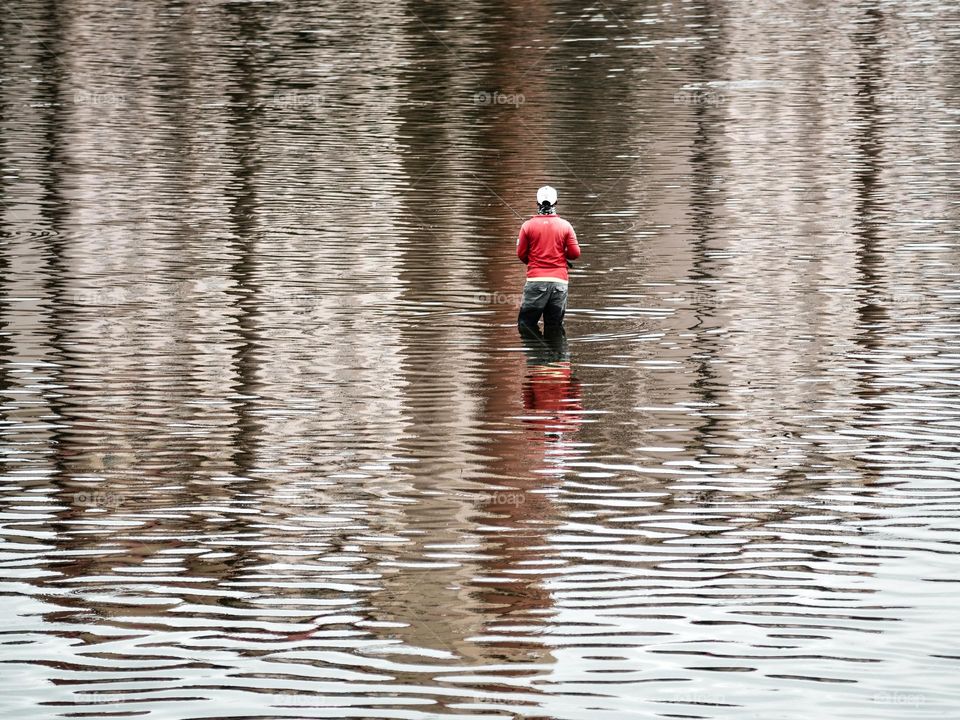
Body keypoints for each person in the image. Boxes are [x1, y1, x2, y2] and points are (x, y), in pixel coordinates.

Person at [516, 186, 580, 333]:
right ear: (556, 202)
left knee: (526, 326)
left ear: (537, 202)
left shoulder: (527, 226)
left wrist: (533, 263)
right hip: (560, 283)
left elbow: (521, 254)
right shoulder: (566, 226)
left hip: (535, 281)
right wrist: (561, 254)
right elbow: (575, 253)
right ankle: (556, 355)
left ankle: (537, 354)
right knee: (554, 327)